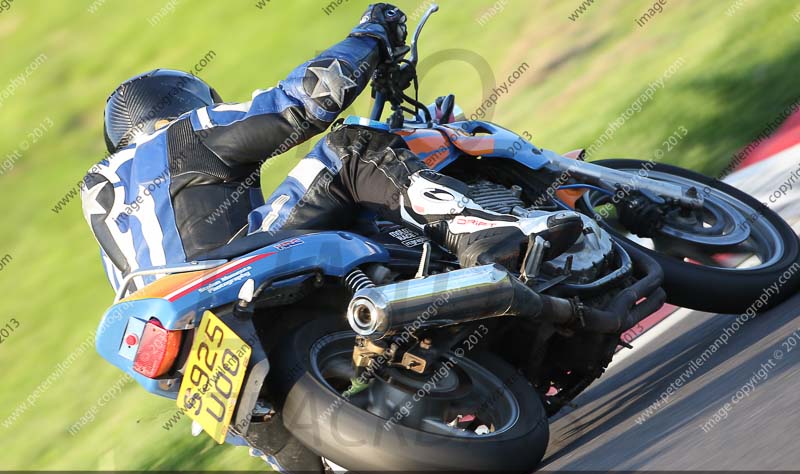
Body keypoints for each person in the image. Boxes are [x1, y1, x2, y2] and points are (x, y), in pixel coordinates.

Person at [81, 3, 582, 293]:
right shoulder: (183, 134)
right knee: (351, 145)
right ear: (184, 105)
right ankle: (477, 232)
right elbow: (306, 102)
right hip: (236, 270)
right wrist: (371, 34)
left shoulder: (99, 196)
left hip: (166, 326)